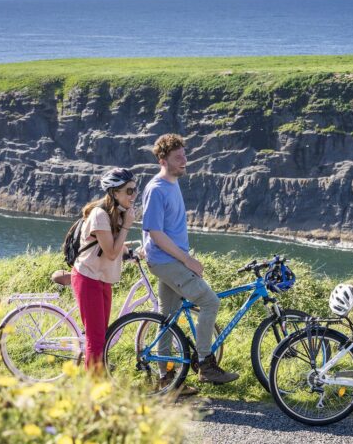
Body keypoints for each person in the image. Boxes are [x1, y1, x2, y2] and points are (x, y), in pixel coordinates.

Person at [141, 133, 239, 391]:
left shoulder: (172, 183)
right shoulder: (157, 188)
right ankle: (206, 364)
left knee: (167, 319)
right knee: (209, 301)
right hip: (166, 261)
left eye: (184, 155)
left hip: (168, 260)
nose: (184, 160)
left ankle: (167, 380)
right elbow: (155, 232)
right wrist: (187, 260)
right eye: (177, 157)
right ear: (163, 160)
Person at [69, 167, 138, 370]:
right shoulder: (100, 215)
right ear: (114, 192)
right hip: (88, 278)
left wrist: (133, 252)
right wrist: (127, 226)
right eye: (129, 191)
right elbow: (110, 252)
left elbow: (116, 246)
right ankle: (93, 393)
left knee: (101, 335)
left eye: (135, 190)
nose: (133, 195)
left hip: (102, 279)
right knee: (96, 338)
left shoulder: (115, 213)